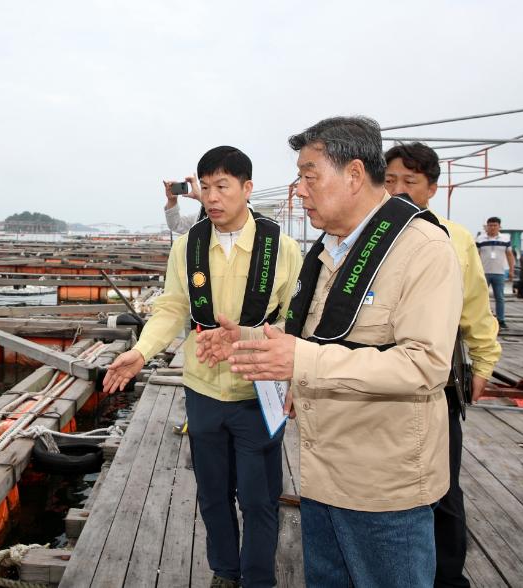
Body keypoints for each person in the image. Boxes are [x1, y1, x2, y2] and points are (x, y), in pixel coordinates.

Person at [198, 117, 462, 587]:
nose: (299, 189)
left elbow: (425, 365)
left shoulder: (422, 247)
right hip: (322, 477)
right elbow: (317, 336)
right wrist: (248, 338)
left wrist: (300, 360)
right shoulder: (330, 249)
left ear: (355, 175)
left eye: (309, 175)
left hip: (383, 490)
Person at [104, 146, 303, 588]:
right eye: (206, 187)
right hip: (203, 390)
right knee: (213, 493)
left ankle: (257, 579)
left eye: (223, 187)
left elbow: (298, 320)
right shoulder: (189, 246)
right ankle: (225, 571)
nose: (212, 197)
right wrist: (142, 351)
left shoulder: (282, 248)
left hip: (259, 390)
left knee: (259, 497)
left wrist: (288, 372)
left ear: (247, 189)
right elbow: (172, 307)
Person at [384, 142, 501, 587]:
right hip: (379, 379)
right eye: (390, 180)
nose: (398, 190)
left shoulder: (454, 237)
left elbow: (475, 307)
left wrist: (484, 363)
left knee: (443, 485)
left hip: (436, 381)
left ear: (432, 188)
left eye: (410, 182)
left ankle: (448, 577)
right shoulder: (367, 235)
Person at [476, 217, 515, 328]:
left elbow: (509, 255)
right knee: (481, 297)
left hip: (499, 272)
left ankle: (501, 320)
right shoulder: (480, 239)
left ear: (499, 226)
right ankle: (480, 320)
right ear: (486, 226)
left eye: (495, 225)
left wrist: (511, 270)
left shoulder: (505, 239)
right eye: (490, 225)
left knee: (500, 297)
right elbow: (475, 256)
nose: (492, 227)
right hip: (483, 273)